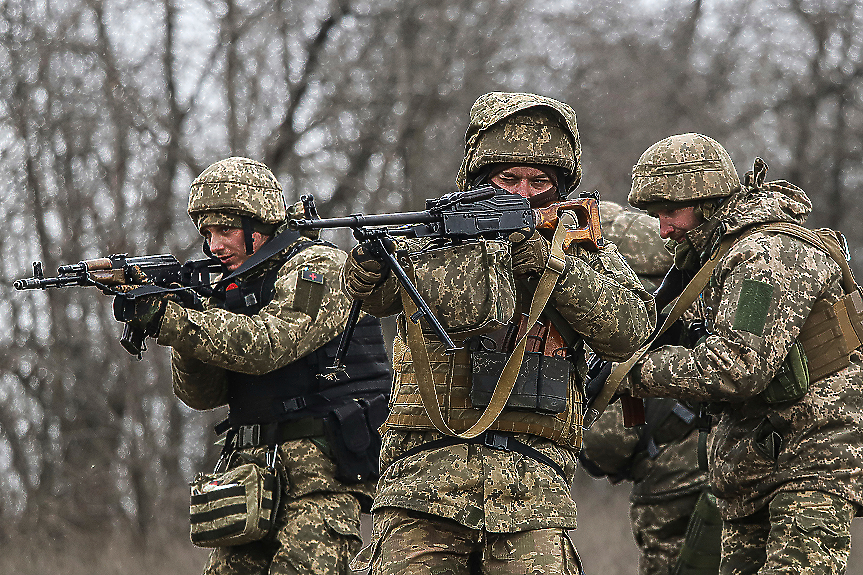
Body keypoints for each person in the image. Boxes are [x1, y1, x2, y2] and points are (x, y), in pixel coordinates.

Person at [344, 92, 655, 574]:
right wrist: (365, 273)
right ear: (479, 179)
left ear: (561, 186)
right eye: (508, 179)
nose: (524, 193)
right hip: (423, 485)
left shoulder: (580, 251)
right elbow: (378, 298)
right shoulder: (433, 240)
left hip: (534, 495)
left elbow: (631, 328)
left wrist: (549, 265)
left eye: (539, 181)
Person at [116, 157, 392, 574]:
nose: (214, 246)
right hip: (248, 479)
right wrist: (184, 317)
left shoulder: (320, 266)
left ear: (259, 225)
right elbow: (201, 395)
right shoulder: (231, 287)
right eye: (207, 234)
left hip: (321, 474)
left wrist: (171, 319)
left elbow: (269, 344)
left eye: (225, 231)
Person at [617, 133, 863, 574]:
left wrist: (631, 373)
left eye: (670, 212)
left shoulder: (765, 256)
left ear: (707, 200)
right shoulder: (720, 255)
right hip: (757, 463)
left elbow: (737, 367)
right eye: (656, 216)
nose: (663, 229)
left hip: (812, 459)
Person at [580, 201, 720, 575]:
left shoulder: (625, 295)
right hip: (710, 462)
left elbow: (606, 443)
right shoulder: (684, 275)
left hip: (674, 472)